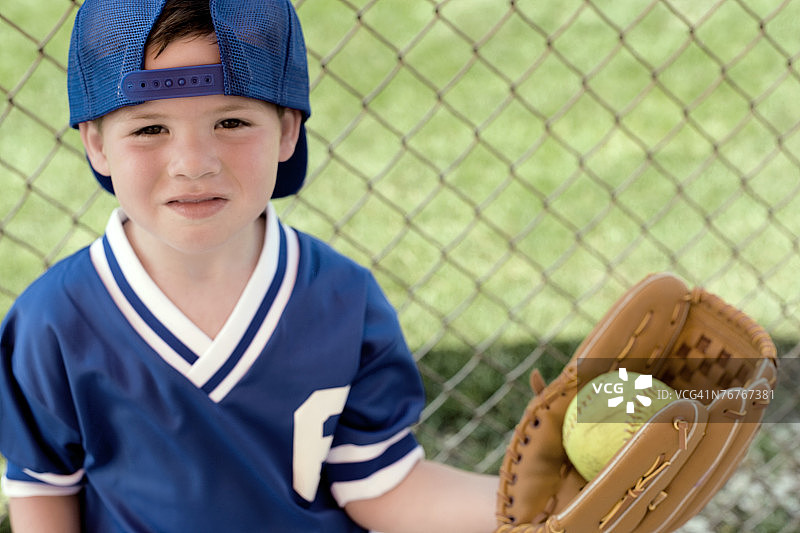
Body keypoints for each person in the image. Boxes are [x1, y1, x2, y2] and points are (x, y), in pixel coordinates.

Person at [0, 1, 499, 532]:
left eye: (232, 121)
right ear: (97, 145)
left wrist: (537, 502)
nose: (194, 163)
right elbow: (44, 495)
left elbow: (384, 488)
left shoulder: (343, 300)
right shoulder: (54, 320)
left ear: (287, 131)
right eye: (150, 129)